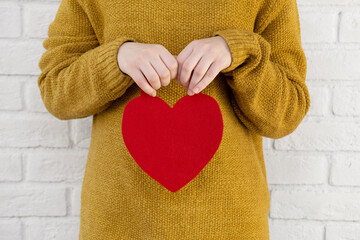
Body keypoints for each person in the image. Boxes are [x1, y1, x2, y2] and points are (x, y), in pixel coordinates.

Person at [37, 0, 310, 239]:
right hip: (120, 222)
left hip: (230, 224)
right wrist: (116, 58)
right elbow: (56, 91)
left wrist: (241, 53)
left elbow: (285, 114)